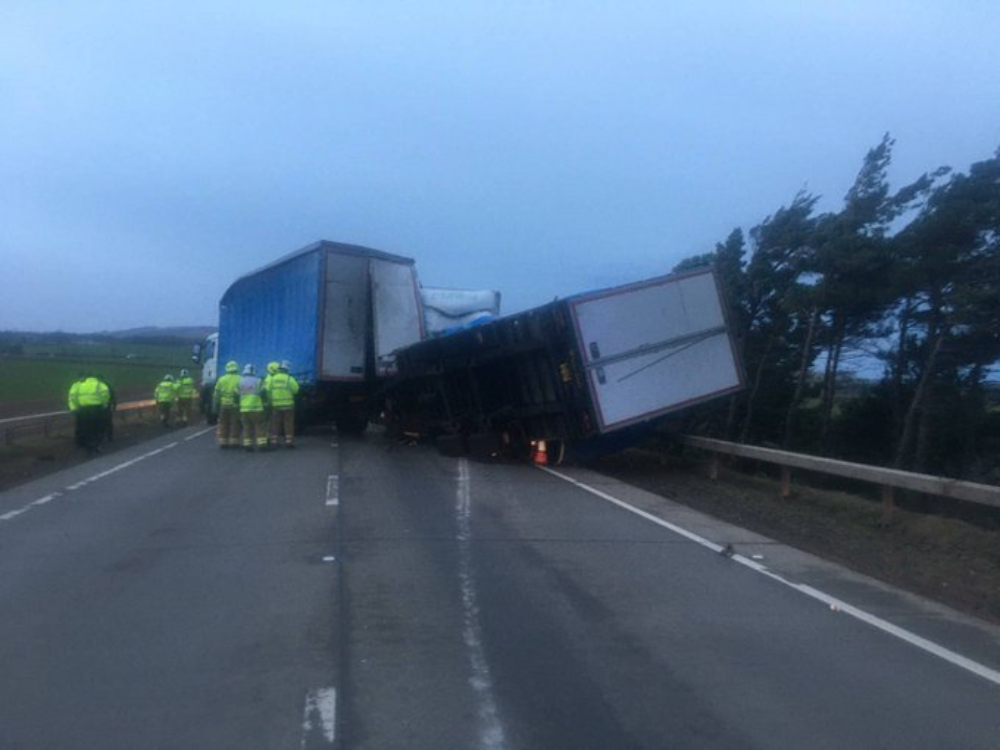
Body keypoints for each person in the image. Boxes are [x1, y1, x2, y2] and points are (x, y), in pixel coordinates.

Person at [68, 372, 111, 455]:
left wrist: (76, 408)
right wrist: (104, 405)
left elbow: (74, 397)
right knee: (99, 428)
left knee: (87, 429)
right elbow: (106, 396)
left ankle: (88, 448)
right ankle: (96, 445)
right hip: (97, 410)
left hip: (83, 410)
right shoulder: (100, 385)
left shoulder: (80, 386)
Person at [265, 359, 300, 449]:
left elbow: (268, 390)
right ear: (287, 370)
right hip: (288, 406)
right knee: (288, 424)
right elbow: (296, 390)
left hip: (276, 405)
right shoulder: (289, 379)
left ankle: (274, 442)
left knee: (275, 424)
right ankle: (289, 442)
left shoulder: (272, 379)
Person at [237, 363, 267, 451]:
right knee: (259, 426)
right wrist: (265, 403)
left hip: (244, 409)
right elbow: (264, 392)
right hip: (256, 408)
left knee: (246, 427)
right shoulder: (258, 381)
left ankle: (247, 445)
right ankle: (262, 445)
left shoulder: (240, 382)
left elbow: (236, 394)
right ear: (253, 371)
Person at [213, 361, 242, 448]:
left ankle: (223, 441)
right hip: (235, 405)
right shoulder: (240, 379)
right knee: (235, 423)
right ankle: (234, 442)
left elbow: (216, 393)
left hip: (224, 405)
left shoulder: (221, 379)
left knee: (223, 423)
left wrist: (215, 404)